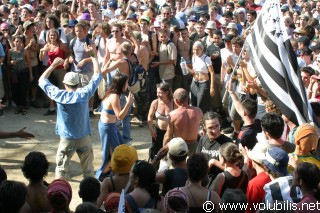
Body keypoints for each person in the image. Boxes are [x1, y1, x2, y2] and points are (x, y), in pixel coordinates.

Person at [38, 44, 102, 179]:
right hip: (84, 136)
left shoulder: (59, 95)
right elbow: (97, 75)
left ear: (65, 84)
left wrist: (53, 65)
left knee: (61, 169)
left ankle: (59, 192)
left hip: (66, 138)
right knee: (89, 170)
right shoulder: (84, 94)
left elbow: (42, 80)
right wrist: (93, 56)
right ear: (78, 84)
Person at [96, 72, 134, 180]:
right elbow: (120, 117)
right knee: (115, 155)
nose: (127, 85)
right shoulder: (114, 97)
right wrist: (128, 103)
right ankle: (102, 174)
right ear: (122, 84)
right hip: (108, 128)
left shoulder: (110, 92)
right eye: (126, 83)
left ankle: (111, 173)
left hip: (110, 126)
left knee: (119, 149)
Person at [163, 88, 203, 155]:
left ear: (177, 100)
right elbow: (204, 129)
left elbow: (168, 136)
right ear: (187, 98)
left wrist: (164, 150)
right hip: (194, 145)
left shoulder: (172, 115)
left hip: (179, 146)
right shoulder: (198, 111)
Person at [39, 29, 69, 116]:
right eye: (51, 35)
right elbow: (41, 59)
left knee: (62, 88)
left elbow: (68, 53)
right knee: (50, 88)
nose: (52, 37)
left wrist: (66, 61)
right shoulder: (47, 45)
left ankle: (63, 108)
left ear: (57, 36)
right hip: (50, 68)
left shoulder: (61, 45)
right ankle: (52, 108)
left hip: (60, 69)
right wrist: (42, 51)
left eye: (54, 35)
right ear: (48, 36)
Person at [196, 112, 232, 179]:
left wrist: (214, 162)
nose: (214, 131)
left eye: (217, 126)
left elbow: (233, 169)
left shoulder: (227, 142)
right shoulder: (203, 139)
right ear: (204, 127)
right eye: (210, 128)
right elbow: (197, 161)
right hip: (203, 181)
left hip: (219, 182)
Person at [147, 82, 174, 161]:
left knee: (169, 153)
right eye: (157, 92)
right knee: (155, 152)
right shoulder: (155, 102)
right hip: (157, 131)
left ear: (167, 92)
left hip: (170, 132)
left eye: (160, 93)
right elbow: (150, 116)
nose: (157, 94)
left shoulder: (174, 103)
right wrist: (151, 129)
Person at [187, 41, 215, 114]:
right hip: (194, 82)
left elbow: (212, 73)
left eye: (197, 49)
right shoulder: (193, 57)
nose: (195, 51)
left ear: (202, 49)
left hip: (204, 83)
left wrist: (212, 87)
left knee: (201, 104)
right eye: (194, 49)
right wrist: (186, 68)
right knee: (193, 102)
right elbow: (194, 71)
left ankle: (202, 121)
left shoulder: (206, 58)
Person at [8, 35, 33, 115]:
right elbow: (7, 62)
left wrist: (31, 74)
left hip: (24, 72)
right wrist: (11, 62)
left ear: (22, 42)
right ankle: (18, 106)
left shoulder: (24, 51)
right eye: (16, 41)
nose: (17, 43)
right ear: (13, 42)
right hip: (14, 73)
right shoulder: (10, 51)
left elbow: (29, 63)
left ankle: (22, 106)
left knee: (23, 90)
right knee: (15, 90)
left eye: (19, 41)